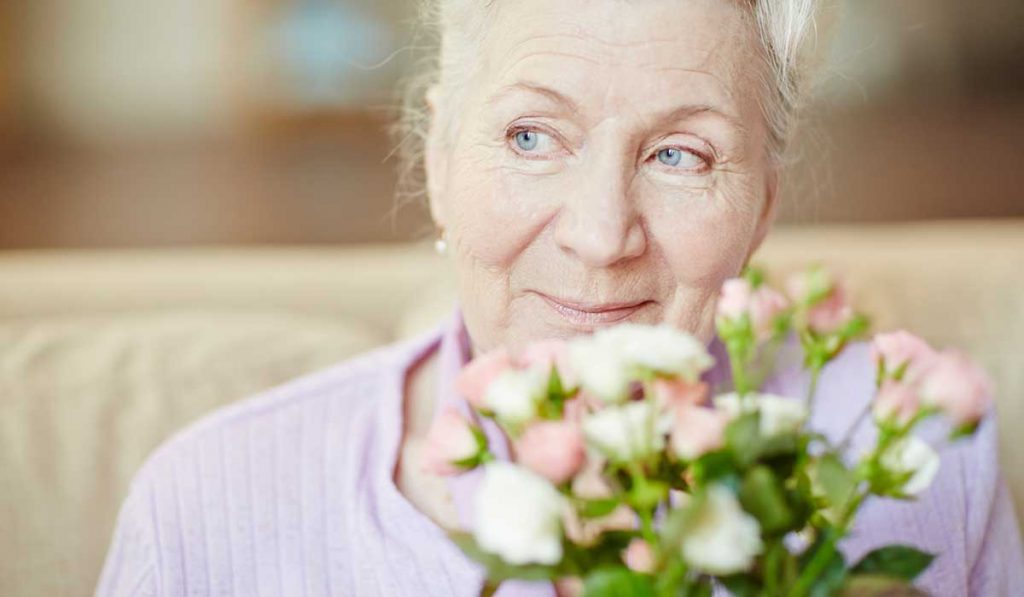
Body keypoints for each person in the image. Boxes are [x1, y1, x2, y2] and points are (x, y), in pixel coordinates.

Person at [97, 1, 1024, 595]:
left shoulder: (911, 457)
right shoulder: (205, 504)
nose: (600, 233)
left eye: (679, 154)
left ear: (762, 206)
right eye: (533, 136)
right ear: (438, 163)